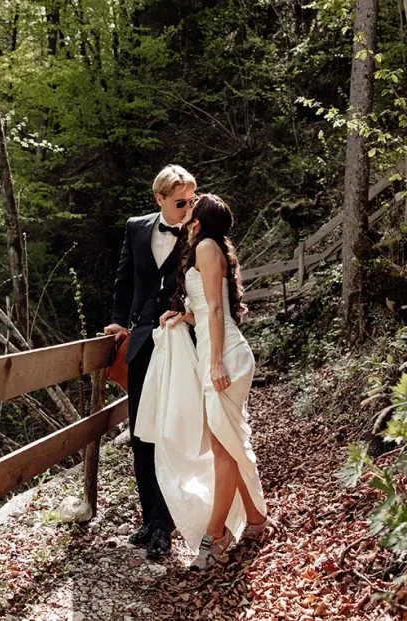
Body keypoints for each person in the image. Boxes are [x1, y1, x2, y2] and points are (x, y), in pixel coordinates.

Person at [137, 193, 269, 571]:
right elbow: (203, 309)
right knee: (226, 443)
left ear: (200, 219)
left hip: (225, 358)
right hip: (215, 354)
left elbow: (215, 308)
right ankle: (256, 520)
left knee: (224, 447)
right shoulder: (206, 247)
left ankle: (216, 537)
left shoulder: (207, 247)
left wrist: (214, 363)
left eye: (193, 205)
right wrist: (180, 317)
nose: (188, 206)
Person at [104, 164, 197, 559]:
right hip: (142, 340)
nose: (188, 208)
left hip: (181, 342)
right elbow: (124, 280)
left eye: (192, 200)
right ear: (159, 199)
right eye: (180, 202)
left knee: (172, 430)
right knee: (142, 433)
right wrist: (117, 321)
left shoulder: (198, 230)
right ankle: (149, 518)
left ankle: (164, 524)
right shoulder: (136, 228)